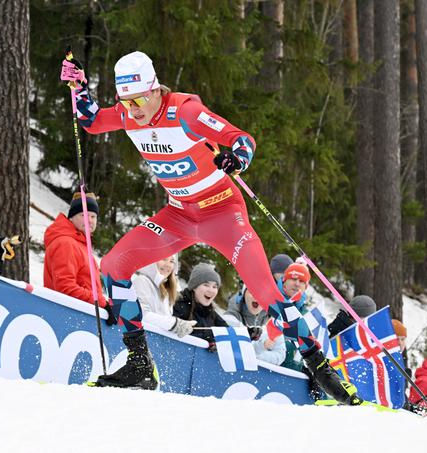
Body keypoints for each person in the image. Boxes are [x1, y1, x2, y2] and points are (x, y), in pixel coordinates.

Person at [64, 50, 361, 404]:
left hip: (222, 214)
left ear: (156, 89)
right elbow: (93, 121)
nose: (135, 109)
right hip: (179, 216)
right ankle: (140, 364)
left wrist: (237, 157)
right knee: (113, 267)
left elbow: (242, 139)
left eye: (141, 99)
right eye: (126, 102)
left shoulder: (184, 111)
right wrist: (79, 86)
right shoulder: (130, 117)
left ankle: (320, 365)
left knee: (266, 290)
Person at [43, 192, 109, 311]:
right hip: (65, 314)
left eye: (93, 216)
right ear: (72, 217)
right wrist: (101, 303)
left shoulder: (81, 245)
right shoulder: (66, 243)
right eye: (83, 215)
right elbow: (65, 287)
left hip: (79, 314)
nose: (89, 220)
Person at [133, 255, 196, 337]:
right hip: (141, 341)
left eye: (171, 261)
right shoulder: (142, 281)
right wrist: (175, 324)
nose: (168, 265)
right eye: (163, 259)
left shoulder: (166, 290)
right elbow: (142, 315)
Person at [172, 263, 228, 349]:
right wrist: (210, 338)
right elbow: (181, 334)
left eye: (214, 286)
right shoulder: (179, 305)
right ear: (194, 287)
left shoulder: (210, 311)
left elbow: (227, 331)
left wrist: (248, 333)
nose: (211, 290)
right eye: (206, 285)